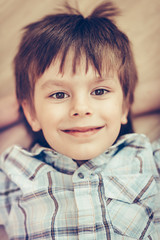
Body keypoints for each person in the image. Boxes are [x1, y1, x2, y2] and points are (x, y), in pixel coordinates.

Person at [0, 1, 159, 239]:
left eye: (100, 91)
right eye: (59, 94)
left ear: (125, 104)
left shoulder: (151, 159)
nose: (81, 108)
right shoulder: (13, 172)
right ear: (31, 113)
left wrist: (125, 105)